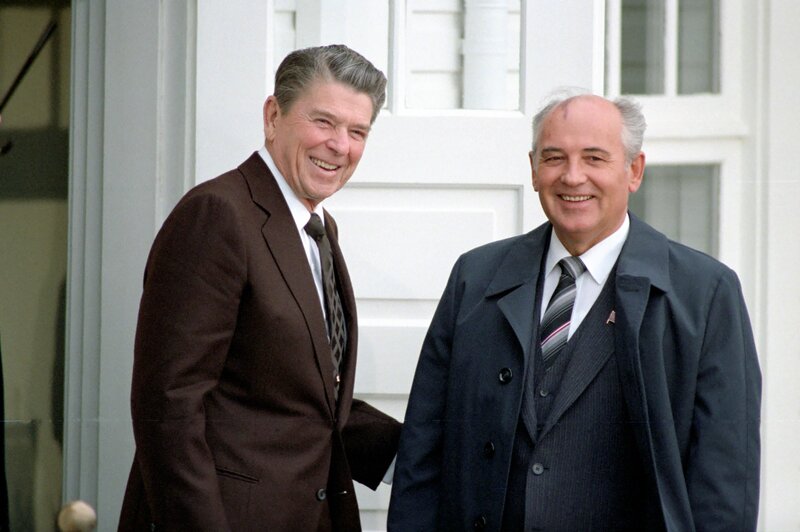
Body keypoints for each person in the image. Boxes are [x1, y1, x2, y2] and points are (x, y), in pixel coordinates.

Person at [388, 92, 761, 531]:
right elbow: (423, 449)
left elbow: (725, 481)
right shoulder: (476, 277)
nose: (572, 176)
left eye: (594, 158)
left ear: (634, 170)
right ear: (532, 169)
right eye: (554, 158)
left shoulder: (705, 293)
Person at [118, 45, 401, 532]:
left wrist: (426, 453)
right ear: (273, 116)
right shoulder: (218, 214)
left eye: (357, 132)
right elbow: (169, 406)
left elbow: (305, 401)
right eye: (323, 122)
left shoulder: (318, 229)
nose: (340, 145)